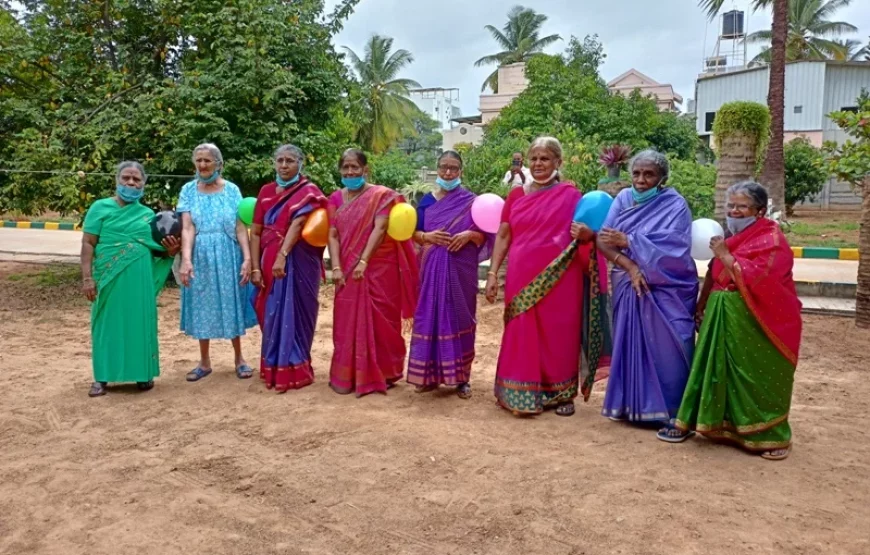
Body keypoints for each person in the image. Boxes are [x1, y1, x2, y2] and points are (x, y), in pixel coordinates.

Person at [664, 182, 802, 461]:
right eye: (730, 206)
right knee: (712, 370)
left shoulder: (772, 239)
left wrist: (727, 256)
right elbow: (715, 273)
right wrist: (701, 306)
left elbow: (767, 279)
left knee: (755, 375)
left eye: (741, 206)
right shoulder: (730, 237)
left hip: (757, 321)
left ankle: (770, 434)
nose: (734, 212)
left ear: (760, 210)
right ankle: (718, 427)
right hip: (721, 314)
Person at [485, 137, 609, 417]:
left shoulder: (570, 195)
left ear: (558, 162)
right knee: (521, 328)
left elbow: (584, 234)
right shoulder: (517, 195)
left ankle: (560, 394)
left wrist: (588, 238)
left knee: (559, 333)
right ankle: (517, 391)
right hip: (520, 274)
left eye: (545, 158)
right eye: (534, 159)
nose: (538, 164)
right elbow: (504, 235)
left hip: (562, 277)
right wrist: (493, 272)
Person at [597, 150, 698, 433]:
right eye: (637, 173)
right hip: (628, 284)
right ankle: (633, 406)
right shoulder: (623, 199)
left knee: (673, 343)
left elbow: (677, 250)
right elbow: (603, 241)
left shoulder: (675, 205)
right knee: (630, 342)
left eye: (649, 174)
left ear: (662, 178)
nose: (641, 180)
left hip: (667, 288)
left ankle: (674, 411)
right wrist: (631, 266)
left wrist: (629, 240)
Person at [81, 161, 181, 397]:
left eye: (137, 180)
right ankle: (102, 377)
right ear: (117, 180)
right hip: (107, 277)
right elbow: (88, 243)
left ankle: (142, 374)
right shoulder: (99, 208)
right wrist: (87, 278)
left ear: (143, 184)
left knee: (139, 323)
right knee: (106, 326)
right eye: (126, 178)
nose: (131, 183)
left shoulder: (148, 216)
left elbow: (158, 250)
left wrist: (170, 251)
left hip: (139, 280)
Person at [327, 148, 419, 397]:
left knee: (383, 320)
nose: (349, 172)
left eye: (354, 167)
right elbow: (333, 234)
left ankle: (385, 373)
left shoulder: (381, 196)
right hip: (345, 269)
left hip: (378, 268)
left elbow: (380, 229)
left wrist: (363, 261)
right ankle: (350, 375)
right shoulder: (335, 198)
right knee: (346, 321)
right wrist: (336, 266)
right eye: (345, 167)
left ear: (365, 169)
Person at [407, 151, 494, 399]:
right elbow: (414, 232)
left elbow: (485, 236)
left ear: (460, 172)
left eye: (453, 169)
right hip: (432, 266)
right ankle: (427, 375)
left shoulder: (472, 202)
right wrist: (427, 237)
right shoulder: (426, 202)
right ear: (437, 169)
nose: (448, 173)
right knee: (429, 316)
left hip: (461, 269)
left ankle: (461, 378)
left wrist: (469, 235)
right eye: (444, 168)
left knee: (461, 317)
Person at [250, 144, 327, 393]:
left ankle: (295, 368)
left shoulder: (309, 192)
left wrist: (282, 256)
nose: (284, 165)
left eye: (290, 161)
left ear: (300, 164)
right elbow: (256, 232)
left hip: (299, 260)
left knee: (299, 312)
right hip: (268, 259)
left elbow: (299, 223)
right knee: (271, 312)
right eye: (280, 160)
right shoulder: (265, 191)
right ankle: (274, 367)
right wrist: (254, 267)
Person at [178, 143, 257, 382]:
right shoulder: (188, 191)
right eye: (198, 160)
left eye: (207, 160)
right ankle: (204, 361)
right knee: (202, 304)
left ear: (219, 164)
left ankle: (240, 359)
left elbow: (240, 226)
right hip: (201, 254)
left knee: (231, 301)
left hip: (228, 253)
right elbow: (188, 227)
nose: (202, 165)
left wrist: (247, 258)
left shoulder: (232, 190)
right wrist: (187, 259)